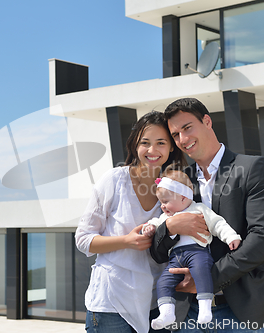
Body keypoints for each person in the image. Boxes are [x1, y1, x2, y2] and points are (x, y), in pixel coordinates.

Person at [150, 98, 264, 332]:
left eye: (187, 127)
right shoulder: (178, 181)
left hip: (241, 313)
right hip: (187, 314)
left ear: (207, 121)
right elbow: (158, 251)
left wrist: (207, 279)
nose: (182, 139)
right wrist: (171, 228)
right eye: (175, 134)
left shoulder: (253, 168)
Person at [75, 111, 186, 333]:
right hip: (111, 303)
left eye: (161, 143)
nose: (152, 150)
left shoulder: (178, 187)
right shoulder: (114, 180)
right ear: (135, 145)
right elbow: (83, 239)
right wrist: (126, 241)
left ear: (171, 146)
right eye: (145, 143)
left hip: (157, 303)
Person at [141, 168, 241, 330]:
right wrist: (150, 227)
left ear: (183, 197)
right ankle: (167, 313)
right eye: (161, 202)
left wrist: (231, 237)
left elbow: (217, 223)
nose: (162, 206)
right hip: (175, 257)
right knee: (163, 282)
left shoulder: (199, 209)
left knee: (201, 273)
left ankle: (205, 308)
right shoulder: (167, 217)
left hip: (197, 252)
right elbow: (156, 224)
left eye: (165, 201)